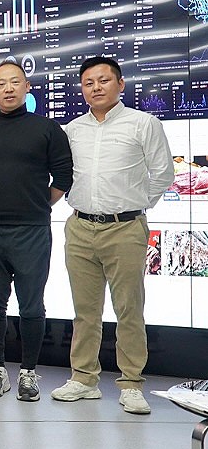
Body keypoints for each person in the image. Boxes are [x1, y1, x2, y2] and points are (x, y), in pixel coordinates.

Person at [52, 55, 174, 415]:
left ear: (120, 84)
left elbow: (163, 173)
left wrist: (134, 205)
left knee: (129, 309)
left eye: (103, 80)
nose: (96, 88)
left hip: (125, 229)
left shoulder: (143, 123)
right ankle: (83, 378)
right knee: (84, 311)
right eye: (88, 83)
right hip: (80, 227)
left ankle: (132, 383)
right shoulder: (72, 130)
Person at [0, 60, 73, 402]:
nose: (8, 89)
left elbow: (63, 177)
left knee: (31, 305)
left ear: (27, 87)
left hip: (32, 230)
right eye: (1, 83)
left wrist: (38, 205)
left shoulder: (48, 129)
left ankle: (29, 372)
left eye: (15, 82)